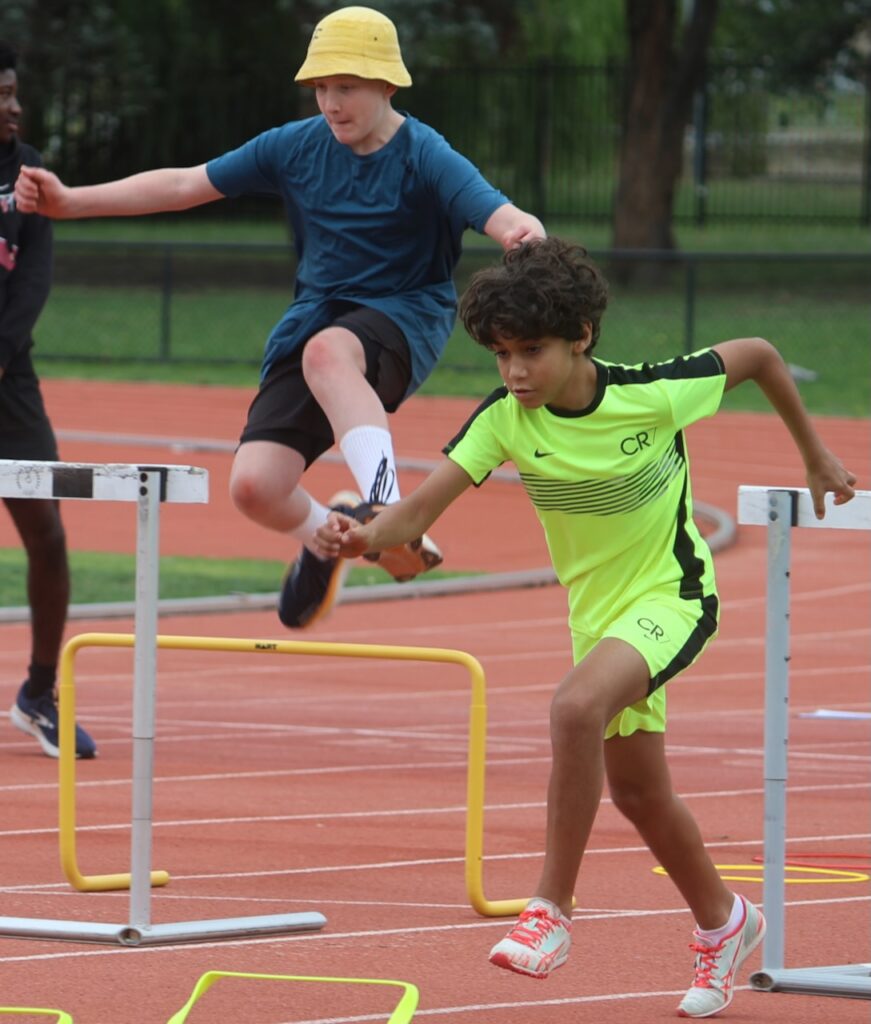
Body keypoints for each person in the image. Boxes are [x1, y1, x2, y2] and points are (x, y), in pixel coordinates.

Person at [315, 237, 857, 1017]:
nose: (515, 372)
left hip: (674, 596)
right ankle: (724, 921)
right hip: (598, 621)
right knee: (639, 795)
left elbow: (761, 354)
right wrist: (360, 536)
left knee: (571, 707)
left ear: (581, 338)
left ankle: (549, 912)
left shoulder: (656, 394)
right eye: (501, 355)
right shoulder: (503, 422)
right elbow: (418, 511)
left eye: (531, 351)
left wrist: (813, 454)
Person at [13, 6, 546, 630]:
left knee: (329, 352)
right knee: (255, 487)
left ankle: (387, 510)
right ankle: (330, 539)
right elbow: (187, 184)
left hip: (404, 315)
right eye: (321, 87)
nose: (330, 102)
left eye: (345, 86)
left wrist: (522, 235)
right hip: (317, 316)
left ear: (386, 85)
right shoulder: (294, 147)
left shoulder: (425, 155)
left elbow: (502, 216)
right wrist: (70, 203)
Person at [0, 42, 96, 759]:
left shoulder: (26, 172)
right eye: (1, 96)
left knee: (48, 532)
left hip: (10, 380)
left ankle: (39, 693)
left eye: (14, 93)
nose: (14, 106)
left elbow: (33, 277)